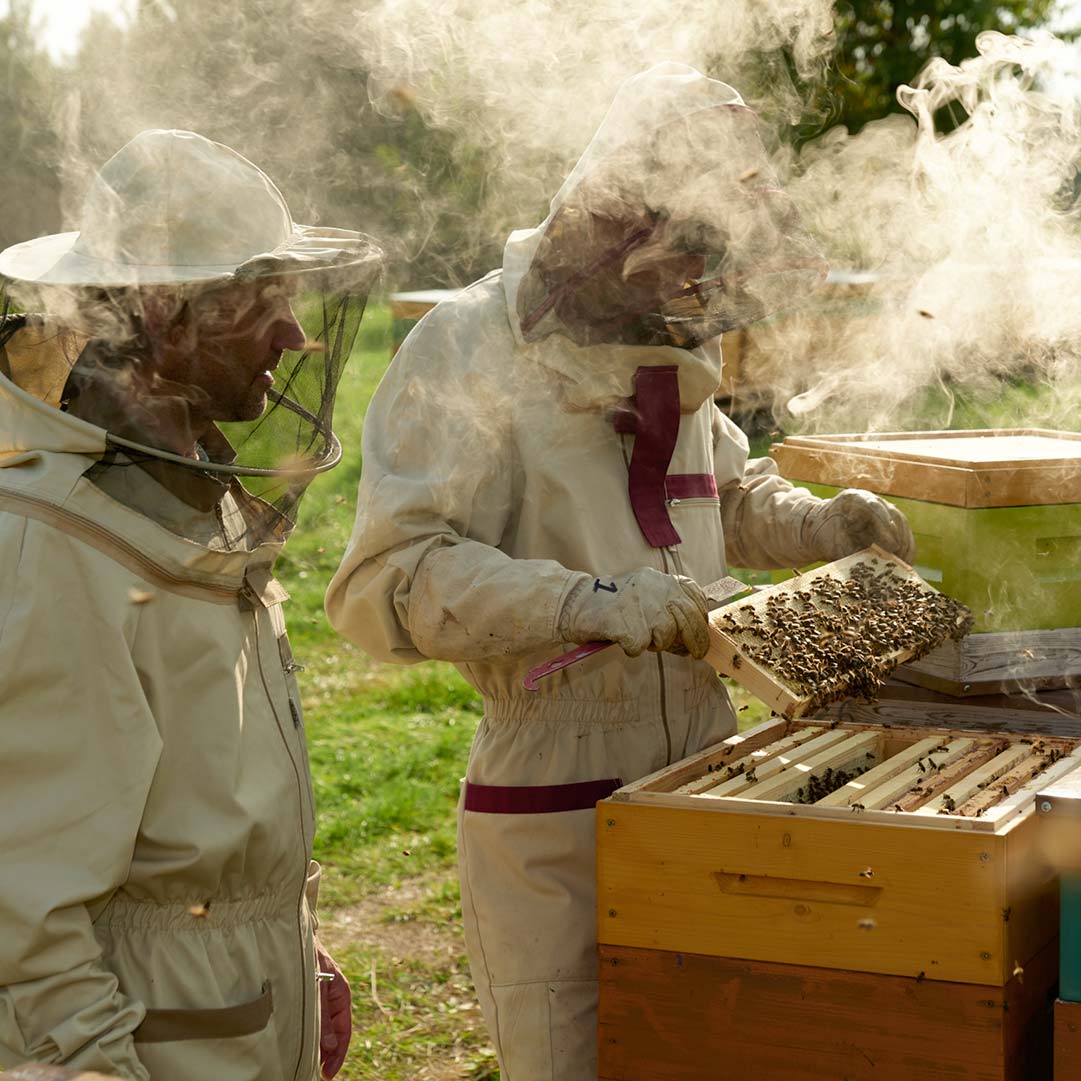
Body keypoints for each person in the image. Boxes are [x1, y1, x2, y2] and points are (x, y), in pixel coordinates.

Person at [325, 63, 914, 1080]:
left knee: (703, 1044)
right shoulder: (465, 346)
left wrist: (823, 525)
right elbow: (396, 577)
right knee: (575, 1055)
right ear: (615, 221)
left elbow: (719, 497)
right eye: (687, 250)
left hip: (706, 754)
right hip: (554, 773)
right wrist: (589, 604)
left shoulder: (658, 346)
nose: (697, 283)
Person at [0, 129, 382, 1081]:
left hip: (227, 1010)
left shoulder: (181, 475)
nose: (297, 335)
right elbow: (22, 906)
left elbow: (194, 804)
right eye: (267, 302)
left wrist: (283, 946)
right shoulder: (49, 544)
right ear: (169, 312)